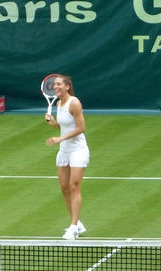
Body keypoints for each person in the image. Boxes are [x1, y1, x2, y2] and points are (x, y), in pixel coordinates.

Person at [45, 74, 89, 240]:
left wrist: (60, 138)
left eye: (58, 84)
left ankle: (73, 227)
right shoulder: (59, 103)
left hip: (78, 150)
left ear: (67, 87)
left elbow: (81, 127)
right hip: (64, 150)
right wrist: (54, 123)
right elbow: (65, 127)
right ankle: (76, 223)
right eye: (54, 85)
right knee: (64, 187)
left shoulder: (74, 103)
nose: (55, 87)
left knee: (74, 186)